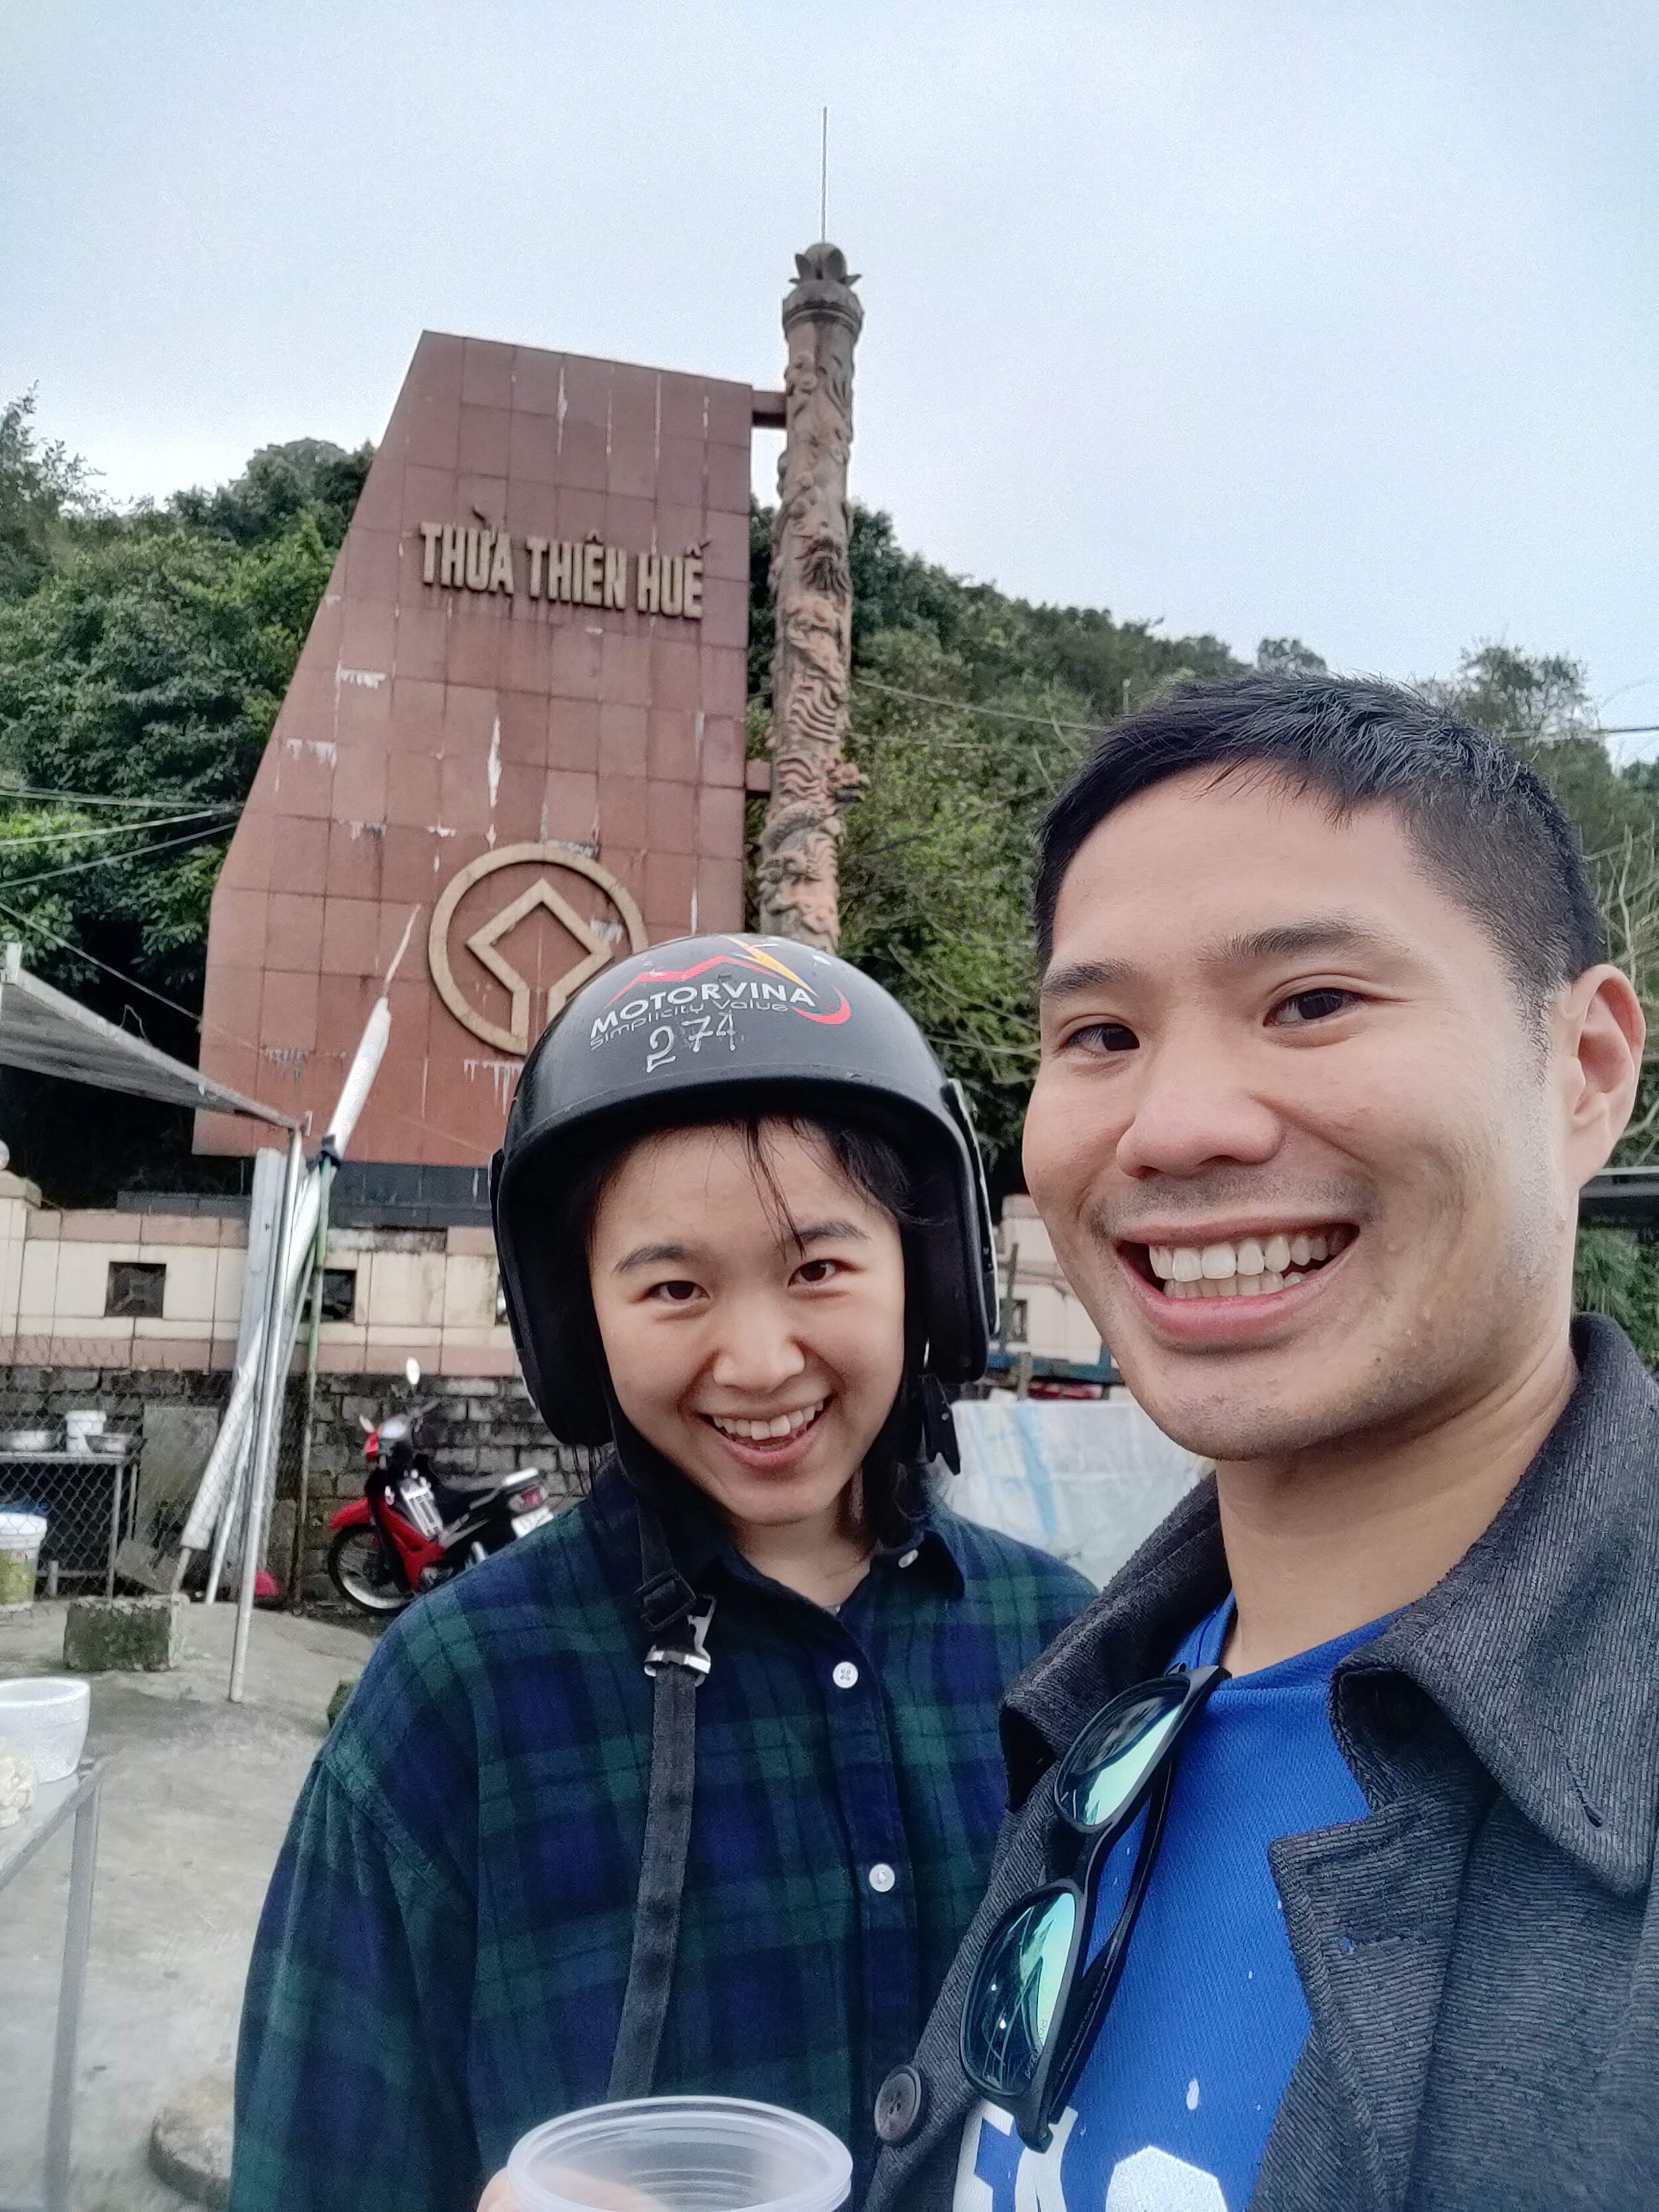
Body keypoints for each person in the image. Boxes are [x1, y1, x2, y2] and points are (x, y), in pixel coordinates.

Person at [865, 676, 1659, 2212]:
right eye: (1098, 1032)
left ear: (1583, 1065)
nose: (1170, 1125)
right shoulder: (1104, 1719)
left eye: (1308, 1003)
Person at [230, 934, 1091, 2212]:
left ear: (934, 1274)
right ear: (574, 1325)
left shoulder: (1074, 1652)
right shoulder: (453, 1698)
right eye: (676, 1286)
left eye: (818, 1267)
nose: (757, 1359)